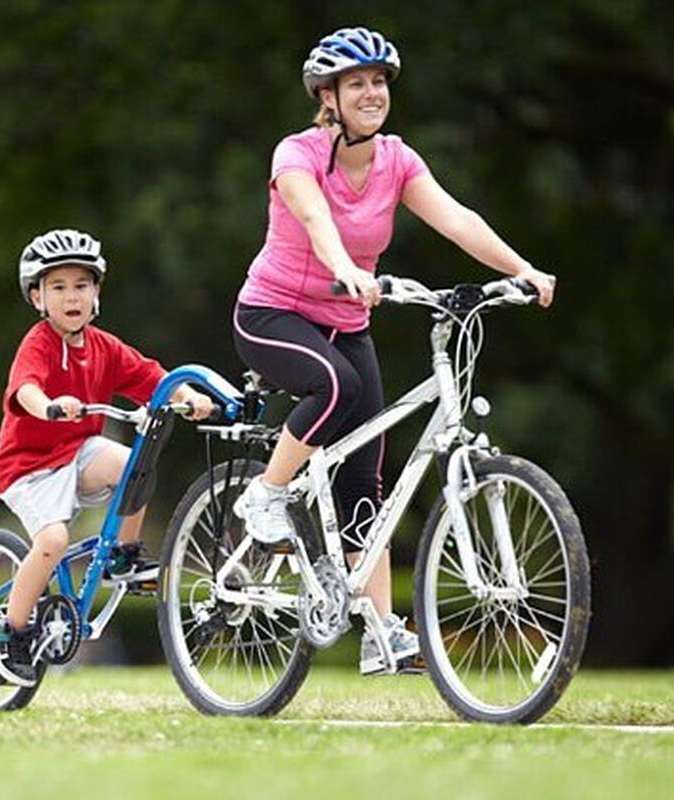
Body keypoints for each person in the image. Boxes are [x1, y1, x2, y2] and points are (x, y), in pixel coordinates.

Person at [231, 27, 556, 676]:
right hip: (273, 314)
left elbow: (457, 217)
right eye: (357, 84)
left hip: (347, 324)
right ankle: (265, 495)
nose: (372, 93)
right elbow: (316, 219)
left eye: (379, 81)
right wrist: (345, 268)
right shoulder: (296, 155)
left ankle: (381, 630)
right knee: (338, 389)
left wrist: (524, 269)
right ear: (328, 97)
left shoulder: (397, 162)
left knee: (363, 484)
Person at [0, 228, 214, 685]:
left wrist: (188, 395)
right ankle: (12, 634)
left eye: (81, 285)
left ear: (96, 293)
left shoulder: (103, 346)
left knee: (136, 462)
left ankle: (124, 555)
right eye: (58, 287)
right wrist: (50, 406)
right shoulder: (38, 343)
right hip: (30, 467)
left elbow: (152, 376)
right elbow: (26, 389)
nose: (71, 297)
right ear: (37, 297)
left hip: (78, 453)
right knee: (52, 543)